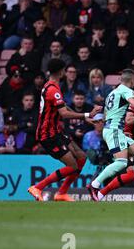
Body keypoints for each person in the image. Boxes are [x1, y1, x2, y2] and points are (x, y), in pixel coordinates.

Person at [27, 59, 102, 202]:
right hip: (47, 134)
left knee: (81, 157)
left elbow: (64, 106)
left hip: (56, 132)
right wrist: (87, 114)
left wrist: (84, 119)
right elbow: (64, 114)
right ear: (61, 71)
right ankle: (38, 187)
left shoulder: (52, 86)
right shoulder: (52, 89)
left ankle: (61, 193)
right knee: (72, 166)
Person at [87, 69, 134, 201]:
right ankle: (94, 184)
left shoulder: (113, 92)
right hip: (114, 130)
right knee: (121, 162)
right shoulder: (127, 90)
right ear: (133, 80)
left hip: (114, 130)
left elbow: (106, 114)